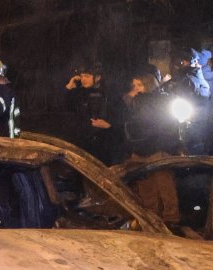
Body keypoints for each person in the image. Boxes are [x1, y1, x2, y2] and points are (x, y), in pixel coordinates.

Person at [123, 68, 182, 225]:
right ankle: (163, 219)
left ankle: (163, 219)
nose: (135, 88)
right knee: (153, 187)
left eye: (139, 85)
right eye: (134, 84)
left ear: (148, 85)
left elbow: (142, 124)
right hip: (150, 147)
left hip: (151, 148)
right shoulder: (162, 100)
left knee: (160, 186)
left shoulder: (142, 102)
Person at [63, 64, 120, 163]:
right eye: (81, 76)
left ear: (98, 77)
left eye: (87, 76)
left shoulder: (109, 94)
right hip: (82, 140)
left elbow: (122, 116)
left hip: (103, 142)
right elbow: (64, 109)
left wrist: (109, 125)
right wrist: (69, 88)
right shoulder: (78, 92)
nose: (83, 79)